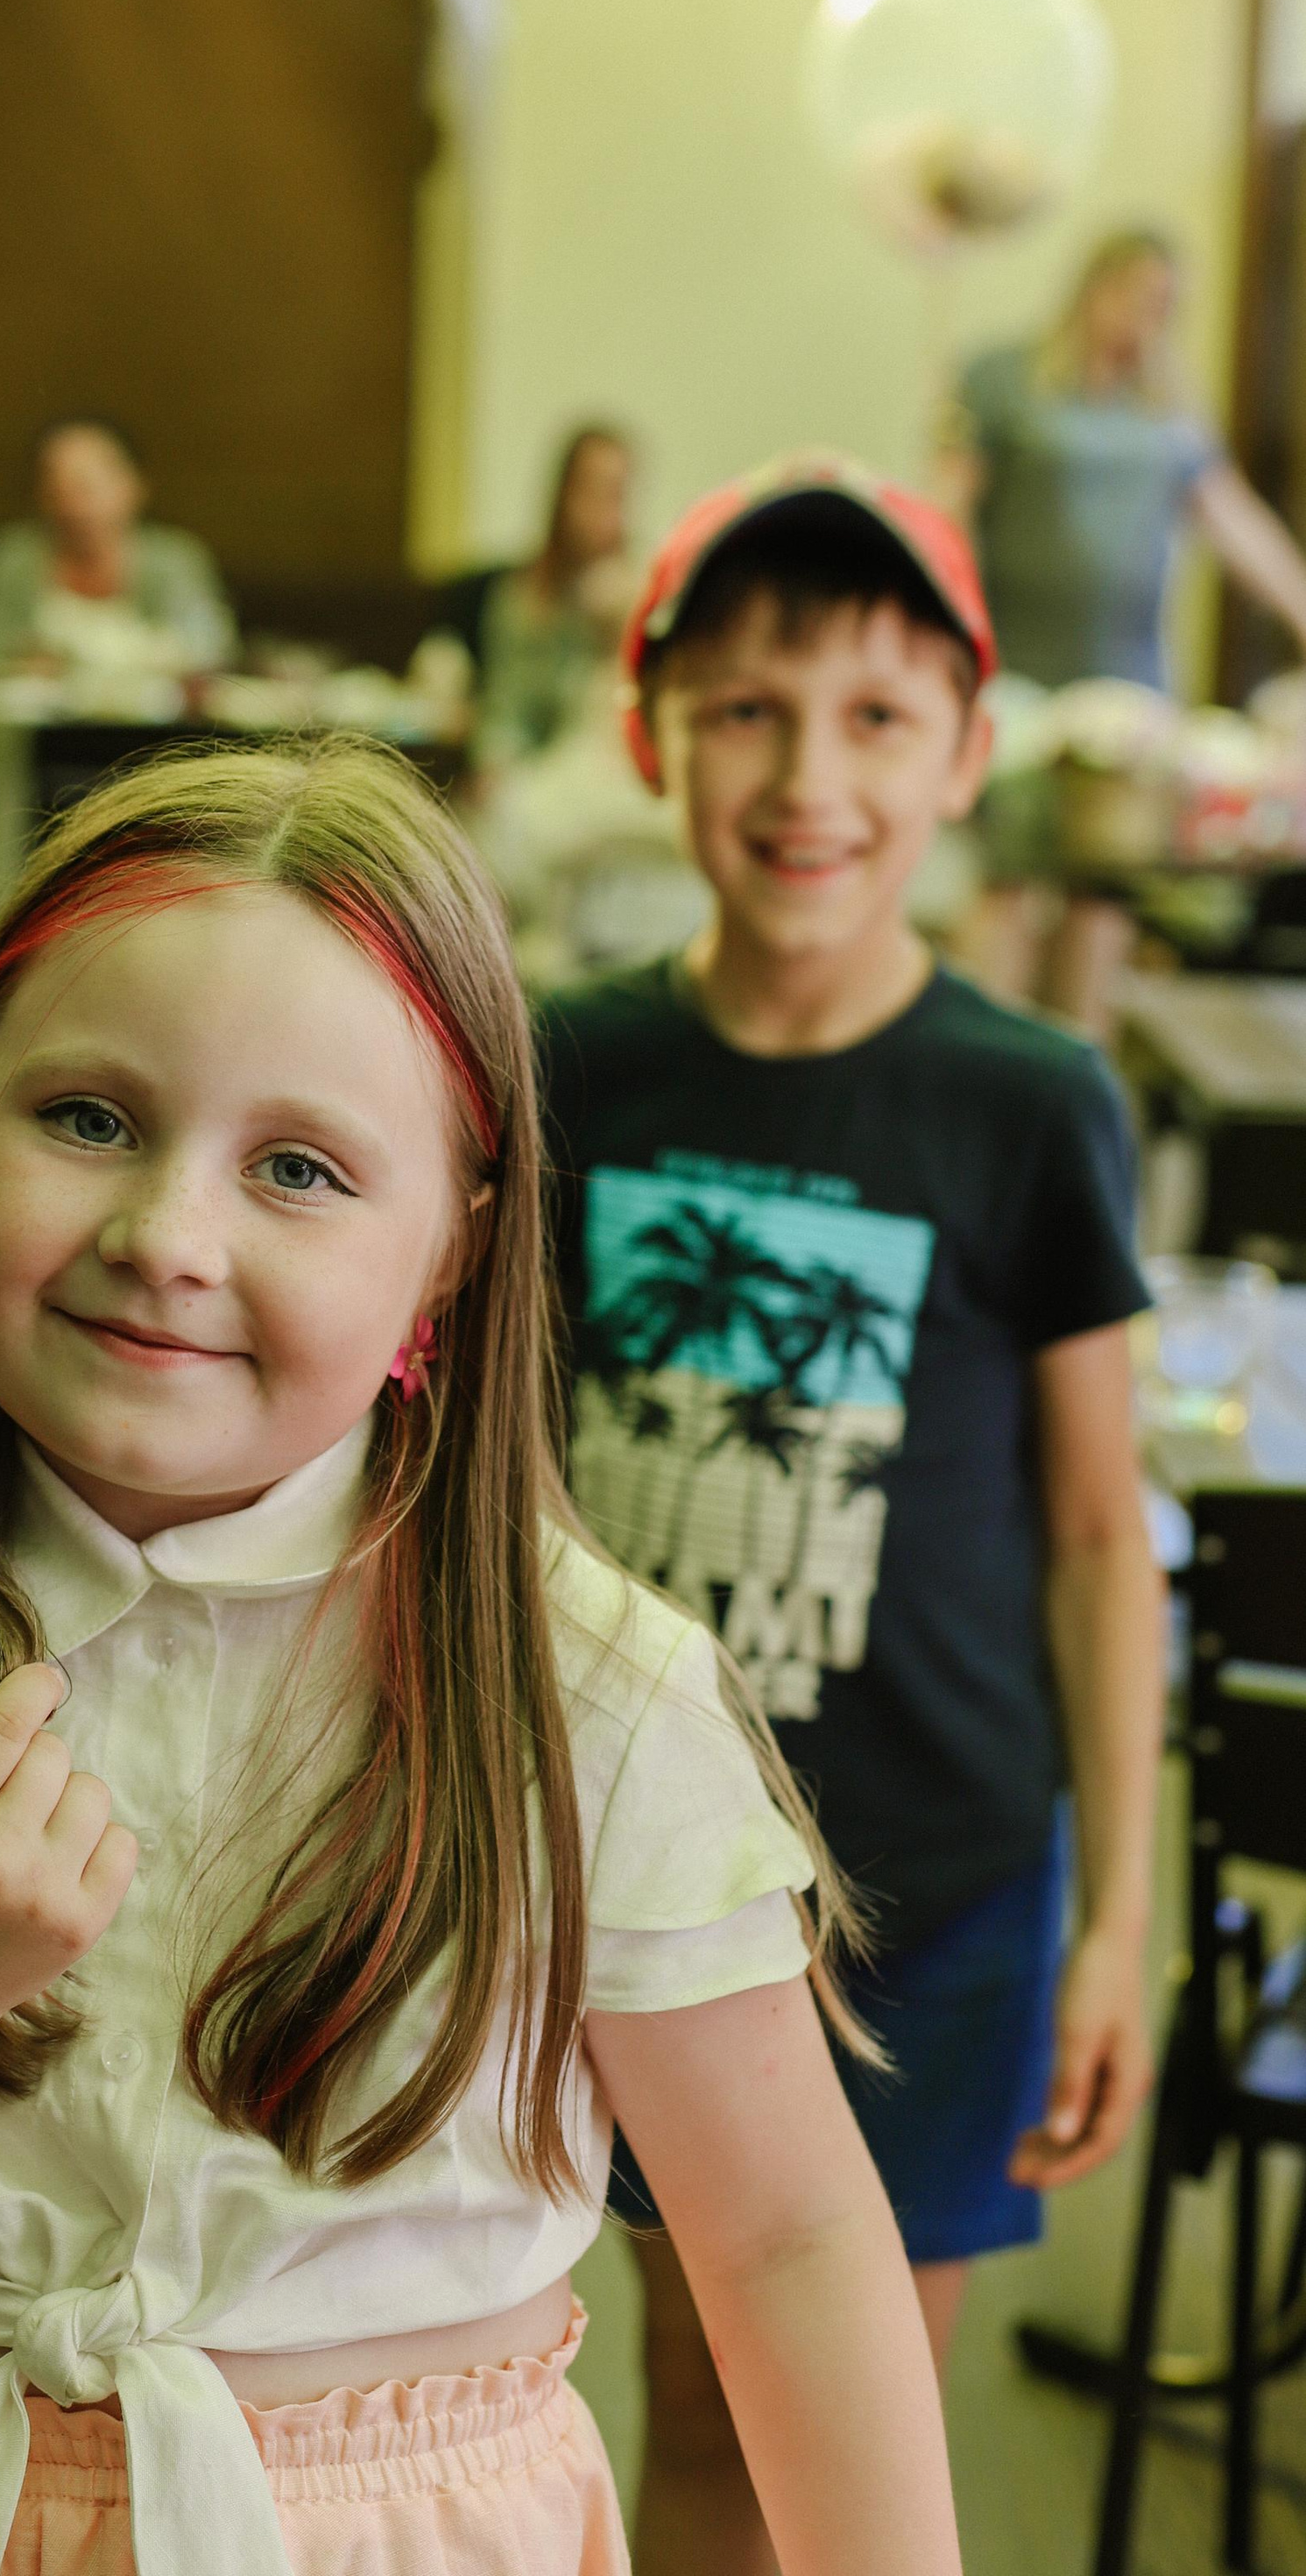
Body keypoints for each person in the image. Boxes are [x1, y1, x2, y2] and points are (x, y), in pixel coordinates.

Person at [0, 733, 964, 2576]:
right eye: (86, 1120)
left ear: (449, 1242)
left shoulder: (585, 1690)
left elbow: (781, 2242)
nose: (165, 1237)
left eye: (295, 1167)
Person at [537, 460, 1165, 2576]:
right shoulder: (562, 1071)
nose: (806, 773)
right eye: (744, 707)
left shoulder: (1027, 1100)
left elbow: (1094, 1533)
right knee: (690, 2412)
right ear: (650, 734)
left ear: (965, 756)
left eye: (875, 717)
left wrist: (1112, 1919)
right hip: (616, 1875)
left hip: (928, 1897)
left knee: (852, 2453)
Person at [939, 230, 1306, 1026]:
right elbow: (951, 508)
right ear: (1093, 286)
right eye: (1137, 296)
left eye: (1165, 308)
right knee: (1010, 878)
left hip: (1126, 688)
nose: (1146, 319)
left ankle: (1075, 1074)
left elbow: (1231, 518)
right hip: (1021, 679)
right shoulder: (1007, 382)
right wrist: (946, 627)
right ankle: (977, 1060)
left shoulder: (1168, 413)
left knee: (1099, 894)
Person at [0, 416, 235, 676]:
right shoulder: (11, 557)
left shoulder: (174, 559)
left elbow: (211, 651)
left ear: (134, 486)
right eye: (57, 488)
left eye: (86, 486)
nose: (71, 504)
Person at [473, 422, 638, 768]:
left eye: (617, 495)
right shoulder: (515, 595)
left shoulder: (631, 599)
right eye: (594, 492)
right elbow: (504, 715)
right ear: (563, 494)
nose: (608, 514)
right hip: (519, 781)